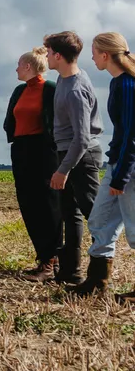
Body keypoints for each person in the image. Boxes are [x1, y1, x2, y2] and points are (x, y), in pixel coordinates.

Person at [67, 32, 135, 300]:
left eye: (94, 52)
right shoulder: (118, 83)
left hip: (128, 168)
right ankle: (97, 282)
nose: (91, 57)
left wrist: (120, 176)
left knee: (134, 226)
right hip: (118, 164)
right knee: (100, 219)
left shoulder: (129, 85)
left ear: (106, 55)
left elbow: (131, 133)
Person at [43, 31, 104, 285]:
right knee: (71, 212)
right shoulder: (64, 78)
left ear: (58, 56)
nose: (46, 56)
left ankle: (99, 275)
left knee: (95, 216)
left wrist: (63, 170)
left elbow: (82, 138)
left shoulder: (76, 90)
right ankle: (71, 271)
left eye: (48, 53)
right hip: (68, 153)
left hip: (82, 156)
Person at [3, 47, 61, 281]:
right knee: (28, 204)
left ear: (28, 66)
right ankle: (42, 258)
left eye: (19, 64)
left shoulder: (50, 89)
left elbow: (56, 120)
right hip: (22, 150)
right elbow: (10, 120)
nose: (16, 68)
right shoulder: (19, 90)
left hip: (44, 152)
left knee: (47, 205)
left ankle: (53, 261)